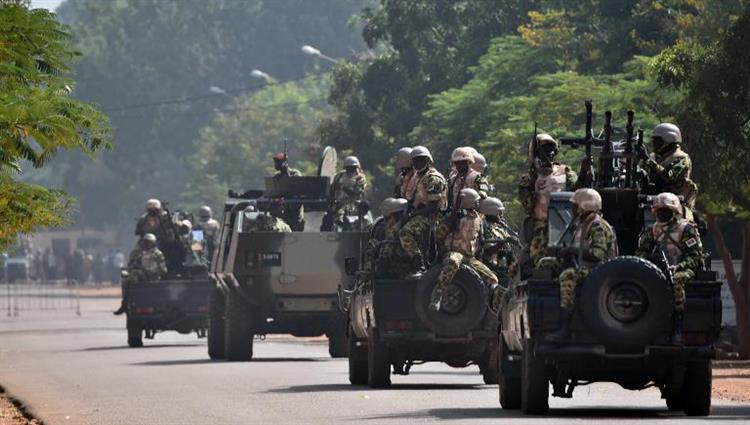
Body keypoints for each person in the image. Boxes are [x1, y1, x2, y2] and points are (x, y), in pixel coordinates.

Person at [546, 189, 618, 342]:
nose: (572, 208)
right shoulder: (583, 224)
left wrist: (571, 250)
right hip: (584, 265)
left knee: (568, 276)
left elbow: (597, 254)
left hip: (599, 269)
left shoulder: (597, 225)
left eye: (575, 205)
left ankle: (565, 328)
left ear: (584, 206)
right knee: (545, 263)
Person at [636, 192, 703, 343]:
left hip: (682, 269)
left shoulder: (686, 229)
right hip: (657, 270)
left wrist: (679, 267)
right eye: (658, 210)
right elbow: (642, 253)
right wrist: (646, 264)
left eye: (664, 210)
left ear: (674, 211)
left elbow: (695, 256)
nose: (660, 213)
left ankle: (677, 326)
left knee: (677, 281)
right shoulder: (651, 230)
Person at [430, 188, 498, 311]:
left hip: (469, 257)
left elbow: (480, 241)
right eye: (476, 201)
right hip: (454, 252)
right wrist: (451, 220)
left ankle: (490, 305)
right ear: (468, 202)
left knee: (492, 279)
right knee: (453, 262)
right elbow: (438, 235)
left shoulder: (479, 219)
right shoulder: (455, 216)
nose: (478, 204)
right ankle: (438, 294)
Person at [519, 133, 578, 269]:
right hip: (540, 227)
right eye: (544, 150)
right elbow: (527, 206)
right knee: (539, 263)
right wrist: (534, 182)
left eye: (551, 149)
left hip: (565, 225)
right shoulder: (529, 178)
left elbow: (578, 194)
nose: (549, 153)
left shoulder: (567, 172)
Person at [399, 146, 448, 277]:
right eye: (415, 160)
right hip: (417, 213)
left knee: (405, 233)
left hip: (430, 217)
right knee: (393, 231)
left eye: (421, 160)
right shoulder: (416, 176)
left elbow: (433, 207)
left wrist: (410, 215)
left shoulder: (433, 178)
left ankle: (419, 264)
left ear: (428, 160)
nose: (417, 163)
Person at [637, 123, 698, 220]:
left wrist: (647, 160)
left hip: (674, 207)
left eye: (657, 141)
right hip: (651, 202)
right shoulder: (653, 157)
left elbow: (669, 177)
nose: (653, 143)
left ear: (668, 140)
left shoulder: (681, 158)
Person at [113, 233, 167, 315]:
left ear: (153, 243)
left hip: (153, 276)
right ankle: (126, 302)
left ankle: (126, 303)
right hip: (141, 275)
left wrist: (152, 270)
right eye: (145, 242)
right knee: (126, 280)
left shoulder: (157, 254)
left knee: (133, 275)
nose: (147, 244)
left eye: (149, 242)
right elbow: (131, 265)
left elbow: (163, 269)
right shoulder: (139, 253)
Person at [478, 197, 518, 279]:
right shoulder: (484, 226)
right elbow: (487, 251)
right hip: (492, 266)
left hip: (505, 264)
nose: (501, 215)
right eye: (499, 212)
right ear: (491, 212)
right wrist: (503, 242)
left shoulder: (498, 226)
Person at [370, 198, 410, 278]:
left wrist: (379, 272)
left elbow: (385, 253)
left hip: (398, 269)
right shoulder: (408, 226)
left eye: (388, 218)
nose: (386, 221)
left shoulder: (395, 231)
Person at [328, 156, 367, 222]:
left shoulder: (360, 178)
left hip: (354, 204)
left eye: (352, 167)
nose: (350, 170)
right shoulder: (339, 176)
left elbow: (358, 193)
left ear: (356, 167)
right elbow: (332, 188)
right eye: (348, 168)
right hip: (339, 203)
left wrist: (344, 188)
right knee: (329, 217)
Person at [272, 152, 304, 230]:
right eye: (275, 162)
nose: (275, 164)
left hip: (295, 215)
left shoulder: (295, 174)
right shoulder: (277, 177)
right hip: (282, 216)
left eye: (277, 162)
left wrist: (286, 174)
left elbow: (295, 190)